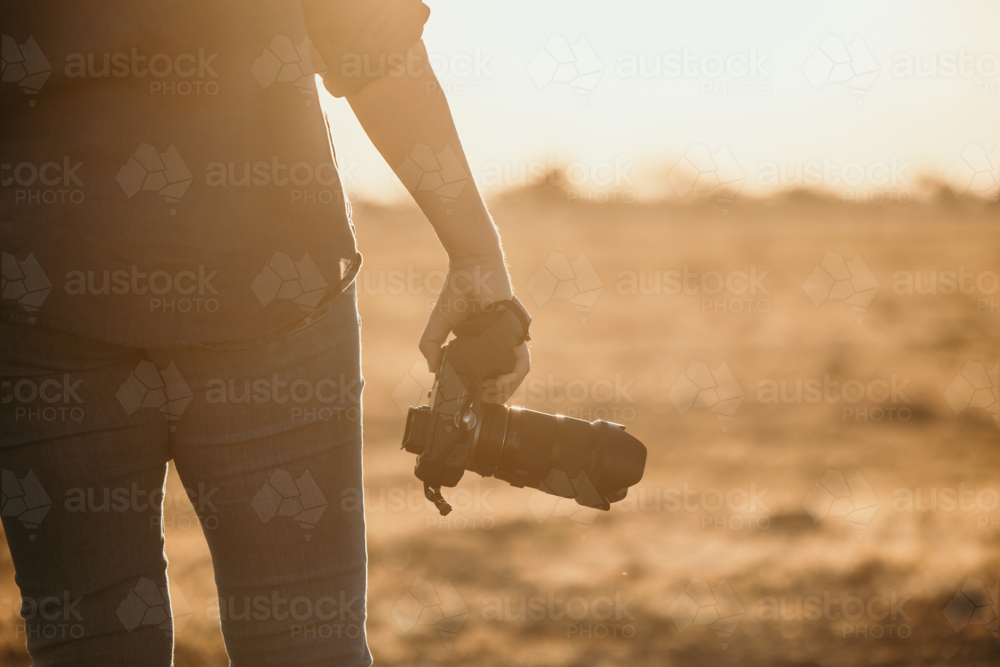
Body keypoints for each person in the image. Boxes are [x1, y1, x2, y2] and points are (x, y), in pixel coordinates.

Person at [0, 1, 529, 665]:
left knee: (88, 643)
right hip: (267, 277)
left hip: (44, 285)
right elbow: (368, 36)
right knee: (306, 642)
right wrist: (475, 254)